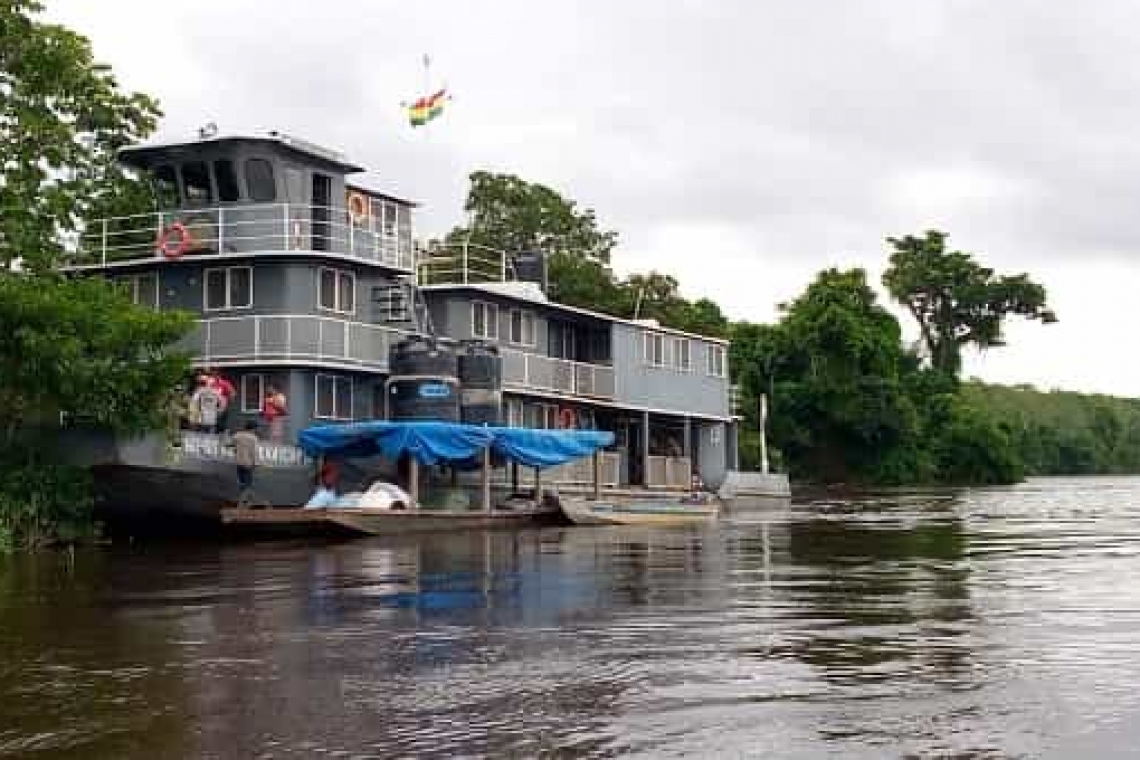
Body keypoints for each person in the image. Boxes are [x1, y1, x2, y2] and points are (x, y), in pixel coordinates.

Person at [233, 420, 259, 507]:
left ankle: (245, 502)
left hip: (239, 463)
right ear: (253, 429)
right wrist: (256, 463)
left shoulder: (237, 435)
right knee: (248, 485)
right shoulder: (254, 438)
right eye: (255, 428)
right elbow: (254, 452)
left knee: (242, 483)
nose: (256, 430)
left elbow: (229, 444)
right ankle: (243, 503)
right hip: (248, 464)